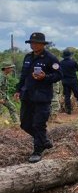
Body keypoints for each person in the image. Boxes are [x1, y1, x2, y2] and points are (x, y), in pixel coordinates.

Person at [14, 32, 63, 163]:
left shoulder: (51, 58)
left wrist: (45, 77)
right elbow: (23, 75)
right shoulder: (28, 57)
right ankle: (44, 140)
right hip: (27, 95)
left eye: (36, 43)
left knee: (38, 124)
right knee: (25, 124)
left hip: (42, 97)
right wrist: (18, 89)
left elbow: (58, 75)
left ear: (42, 44)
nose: (33, 45)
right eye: (32, 43)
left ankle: (38, 150)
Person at [60, 49, 78, 114]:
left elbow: (59, 71)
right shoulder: (73, 62)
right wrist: (73, 70)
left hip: (65, 81)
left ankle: (68, 110)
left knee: (67, 96)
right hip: (73, 81)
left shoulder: (60, 63)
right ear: (70, 55)